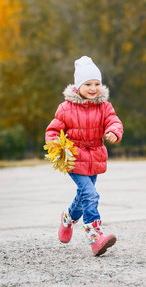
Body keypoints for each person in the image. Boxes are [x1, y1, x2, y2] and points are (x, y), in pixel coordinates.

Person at [45, 56, 123, 256]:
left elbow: (113, 121)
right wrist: (55, 145)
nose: (93, 88)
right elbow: (53, 130)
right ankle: (95, 238)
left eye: (97, 83)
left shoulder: (105, 107)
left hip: (95, 156)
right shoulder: (65, 108)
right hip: (74, 157)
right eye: (88, 83)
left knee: (83, 195)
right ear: (78, 86)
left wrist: (114, 131)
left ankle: (67, 219)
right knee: (90, 194)